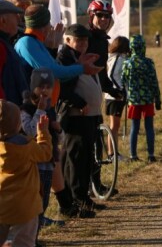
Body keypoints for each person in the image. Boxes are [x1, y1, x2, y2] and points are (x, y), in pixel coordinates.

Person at [56, 23, 105, 218]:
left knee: (86, 159)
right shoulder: (65, 59)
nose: (83, 43)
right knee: (75, 160)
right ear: (67, 40)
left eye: (85, 40)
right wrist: (79, 102)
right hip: (76, 117)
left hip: (89, 116)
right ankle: (76, 199)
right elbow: (63, 89)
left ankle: (83, 197)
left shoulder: (80, 57)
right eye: (79, 40)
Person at [19, 68, 65, 245]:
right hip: (33, 165)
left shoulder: (50, 108)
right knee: (33, 205)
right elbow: (30, 131)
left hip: (48, 163)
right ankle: (30, 240)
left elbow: (59, 139)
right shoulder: (26, 109)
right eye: (40, 87)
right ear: (33, 88)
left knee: (43, 203)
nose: (44, 90)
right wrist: (39, 111)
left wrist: (58, 129)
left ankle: (35, 238)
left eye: (48, 87)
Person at [0, 99, 52, 247]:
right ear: (18, 125)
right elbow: (46, 154)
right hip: (26, 206)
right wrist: (43, 133)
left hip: (2, 206)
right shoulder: (27, 145)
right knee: (24, 242)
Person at [86, 0, 122, 196]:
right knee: (85, 145)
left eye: (107, 16)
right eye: (100, 15)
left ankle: (96, 184)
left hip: (95, 92)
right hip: (82, 92)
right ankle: (85, 187)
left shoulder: (102, 40)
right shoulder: (86, 37)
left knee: (97, 142)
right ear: (91, 16)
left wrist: (112, 89)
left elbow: (101, 72)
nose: (104, 19)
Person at [121, 35, 161, 163]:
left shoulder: (127, 63)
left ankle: (133, 155)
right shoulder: (149, 62)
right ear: (143, 47)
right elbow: (154, 82)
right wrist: (158, 99)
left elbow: (123, 81)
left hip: (133, 100)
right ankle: (151, 154)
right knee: (149, 127)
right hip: (148, 99)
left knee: (134, 128)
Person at [105, 36, 130, 159]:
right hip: (115, 97)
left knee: (114, 126)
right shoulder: (117, 58)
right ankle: (112, 154)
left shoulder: (116, 58)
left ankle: (113, 153)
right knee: (114, 126)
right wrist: (119, 90)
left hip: (115, 97)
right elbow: (111, 75)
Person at [0, 0, 28, 106]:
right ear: (3, 20)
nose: (19, 19)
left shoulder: (6, 44)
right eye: (15, 16)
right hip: (6, 114)